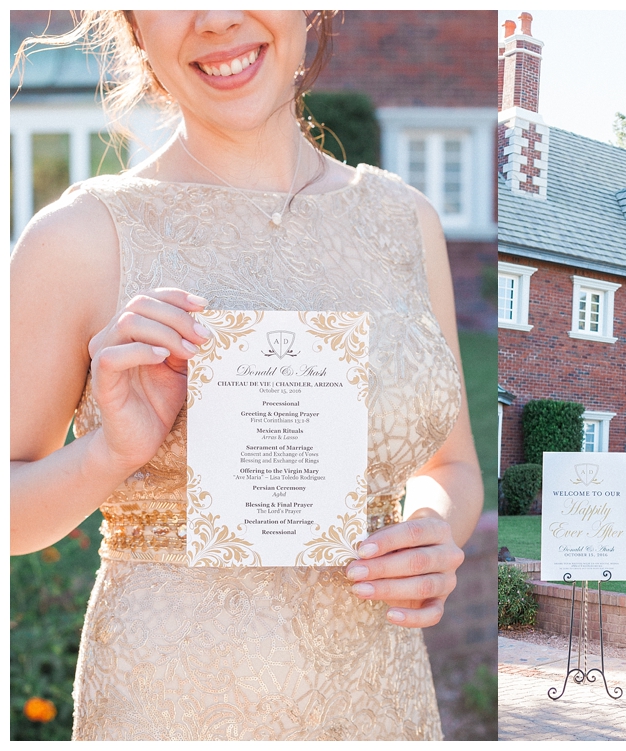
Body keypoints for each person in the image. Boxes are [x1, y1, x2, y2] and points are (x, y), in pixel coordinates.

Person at [10, 11, 482, 741]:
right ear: (134, 25)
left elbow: (448, 465)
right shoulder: (76, 239)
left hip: (377, 701)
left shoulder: (404, 221)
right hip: (169, 708)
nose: (219, 18)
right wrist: (110, 452)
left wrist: (428, 529)